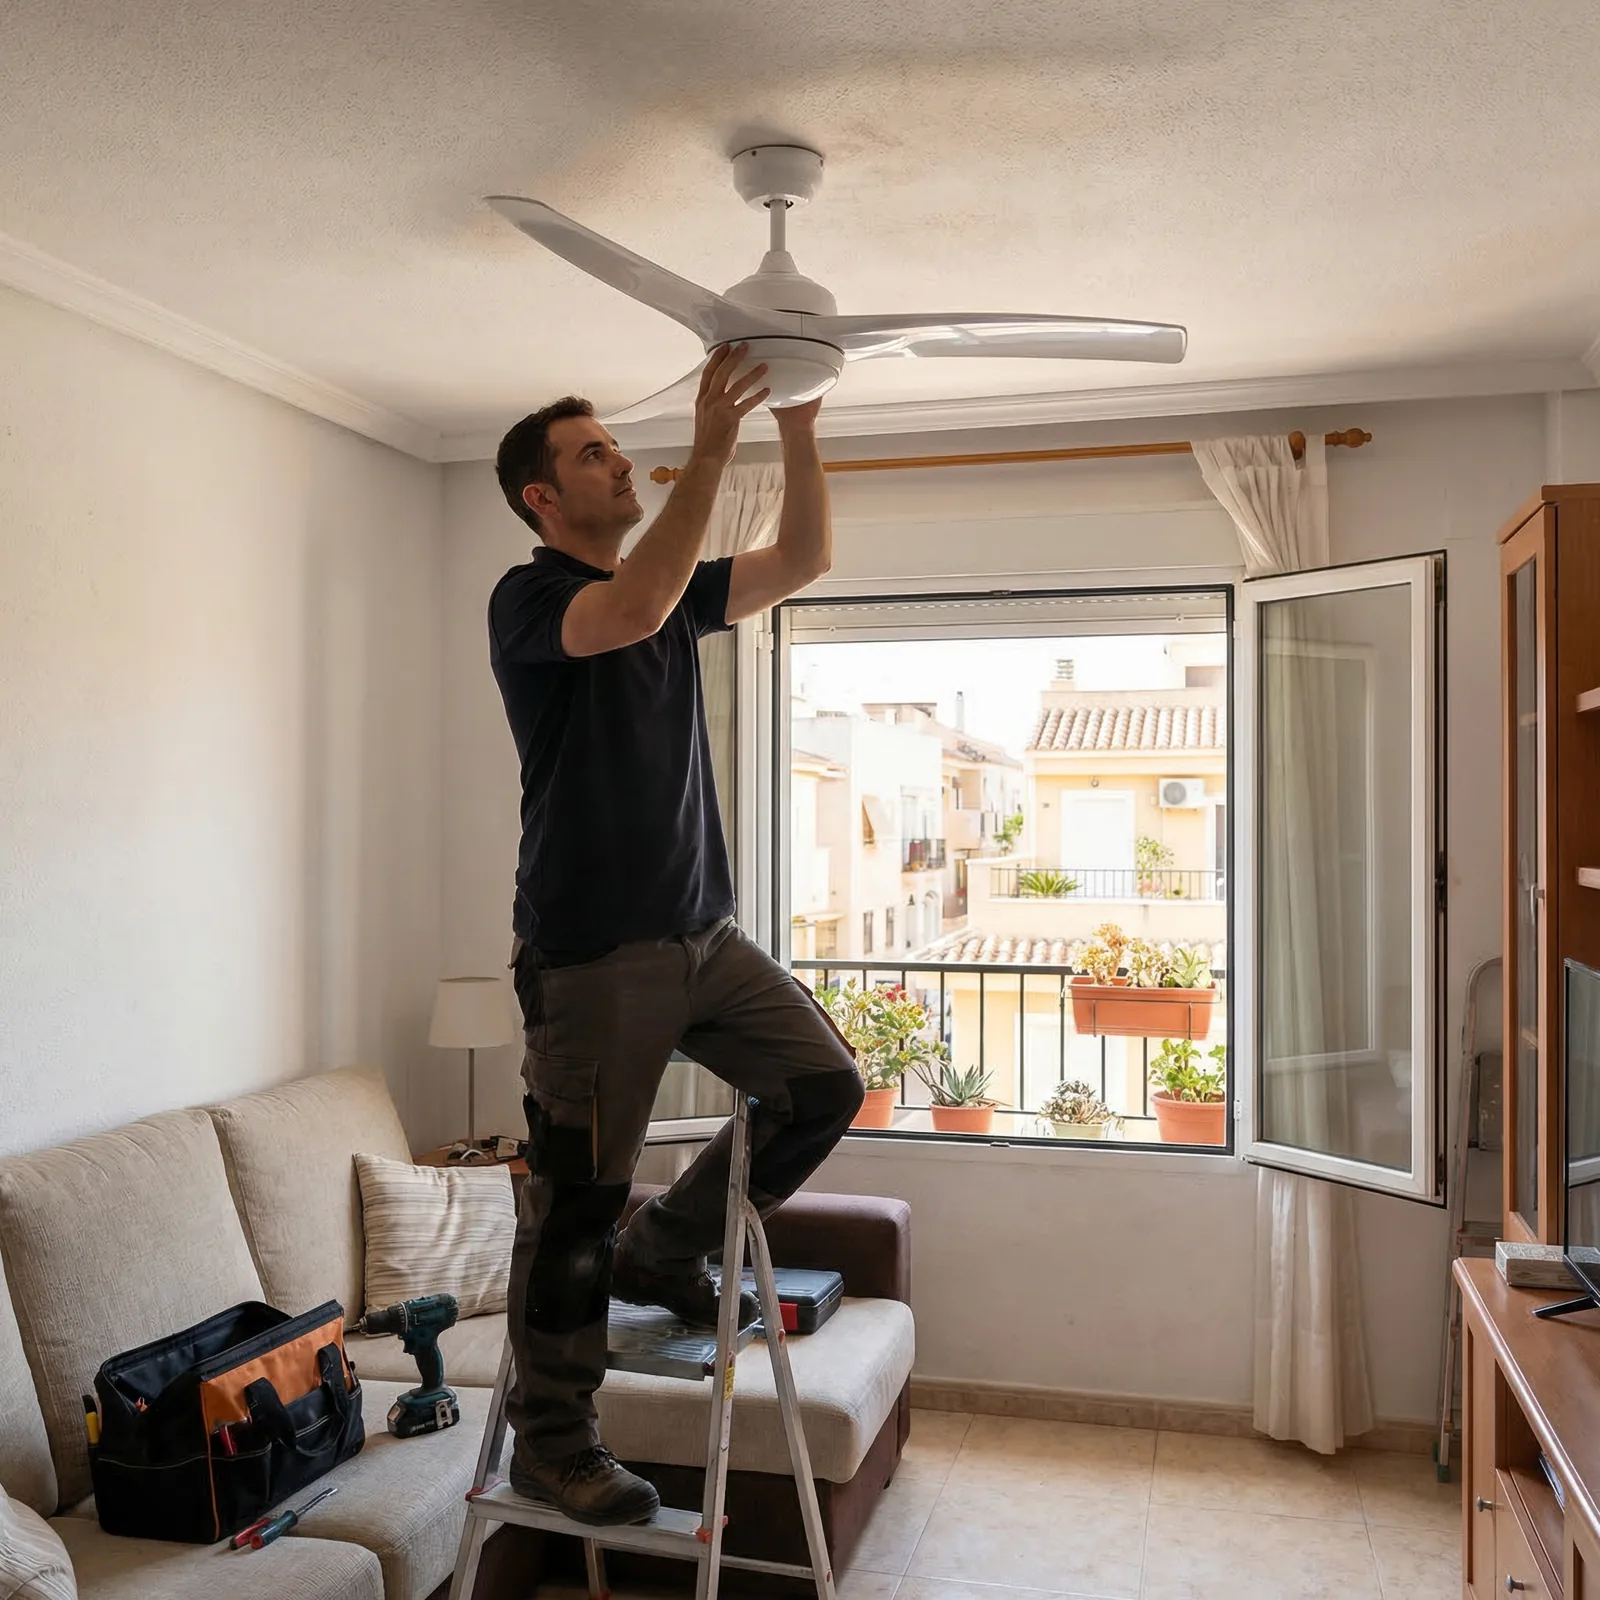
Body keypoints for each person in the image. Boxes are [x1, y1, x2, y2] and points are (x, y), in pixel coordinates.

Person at [487, 344, 865, 1526]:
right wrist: (711, 444)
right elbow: (634, 602)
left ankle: (671, 1243)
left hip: (704, 935)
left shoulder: (668, 592)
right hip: (592, 956)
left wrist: (795, 421)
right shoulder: (535, 597)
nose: (616, 460)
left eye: (614, 444)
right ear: (543, 497)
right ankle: (556, 1443)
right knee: (573, 1205)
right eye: (592, 452)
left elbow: (803, 556)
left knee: (823, 1088)